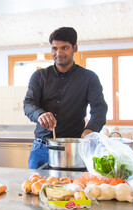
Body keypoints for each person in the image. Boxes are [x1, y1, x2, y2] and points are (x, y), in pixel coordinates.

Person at [23, 27, 107, 169]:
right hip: (42, 148)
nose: (58, 53)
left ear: (75, 48)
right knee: (34, 189)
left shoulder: (89, 78)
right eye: (54, 48)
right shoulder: (39, 76)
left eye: (64, 48)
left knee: (74, 189)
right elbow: (28, 103)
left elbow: (100, 108)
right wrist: (40, 114)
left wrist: (90, 130)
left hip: (74, 149)